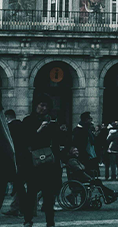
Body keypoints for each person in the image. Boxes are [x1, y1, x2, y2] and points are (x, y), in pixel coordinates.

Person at [20, 94, 61, 227]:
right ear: (36, 106)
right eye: (41, 105)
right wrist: (39, 130)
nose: (44, 108)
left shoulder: (52, 122)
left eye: (46, 106)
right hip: (33, 164)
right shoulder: (27, 121)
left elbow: (56, 143)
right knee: (31, 193)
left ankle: (50, 221)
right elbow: (25, 141)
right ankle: (28, 220)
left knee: (48, 195)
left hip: (48, 165)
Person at [71, 113, 99, 178]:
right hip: (84, 156)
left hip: (91, 156)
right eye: (90, 119)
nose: (91, 120)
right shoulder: (79, 130)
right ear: (86, 120)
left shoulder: (88, 129)